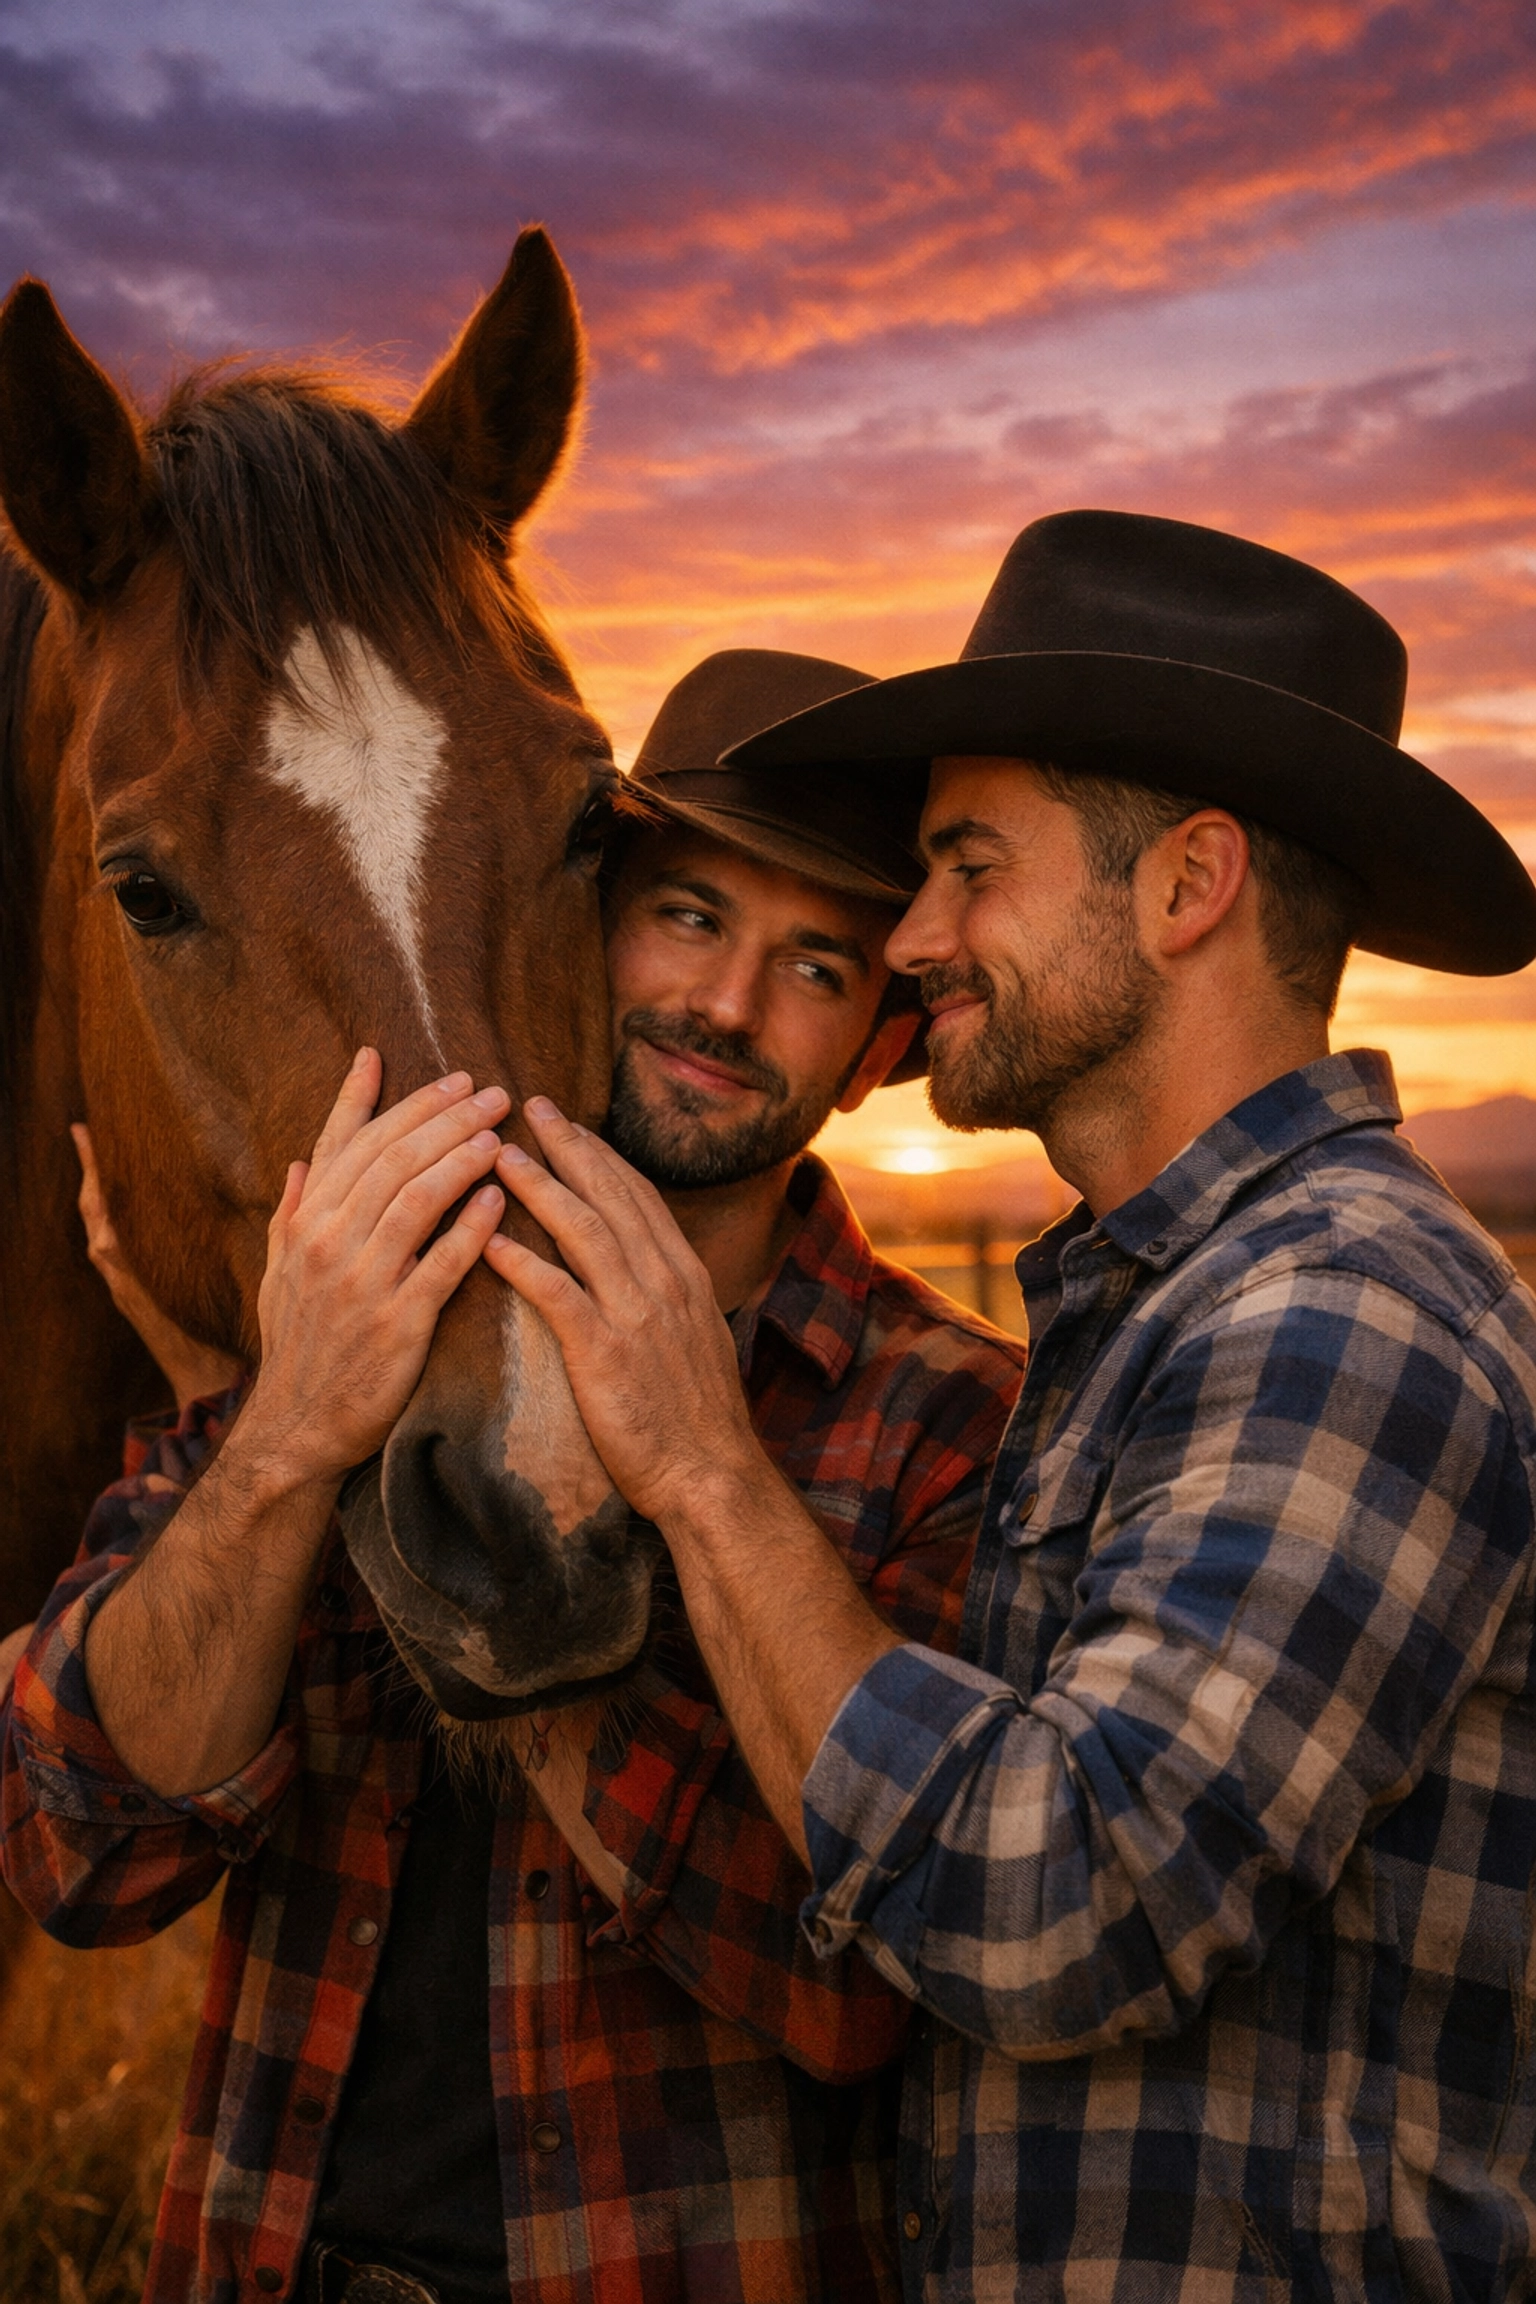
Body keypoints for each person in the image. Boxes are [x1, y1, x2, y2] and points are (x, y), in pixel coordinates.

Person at [478, 514, 1536, 2300]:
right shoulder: (1155, 1317)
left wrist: (698, 1464)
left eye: (971, 866)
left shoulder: (1346, 1313)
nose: (914, 936)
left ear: (1187, 889)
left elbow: (1063, 1906)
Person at [1, 648, 1024, 2304]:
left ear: (873, 1046)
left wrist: (619, 1509)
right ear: (578, 916)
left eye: (816, 966)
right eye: (687, 916)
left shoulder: (953, 1424)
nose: (724, 1007)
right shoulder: (335, 1330)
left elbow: (862, 1993)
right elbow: (77, 1854)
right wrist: (272, 1435)